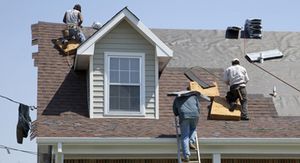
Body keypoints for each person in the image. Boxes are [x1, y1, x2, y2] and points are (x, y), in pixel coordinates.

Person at [173, 90, 200, 162]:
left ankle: (187, 156)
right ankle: (191, 141)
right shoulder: (194, 96)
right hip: (195, 115)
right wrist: (197, 114)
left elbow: (175, 111)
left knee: (185, 136)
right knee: (193, 129)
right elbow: (198, 107)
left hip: (184, 116)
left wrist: (177, 114)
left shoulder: (177, 98)